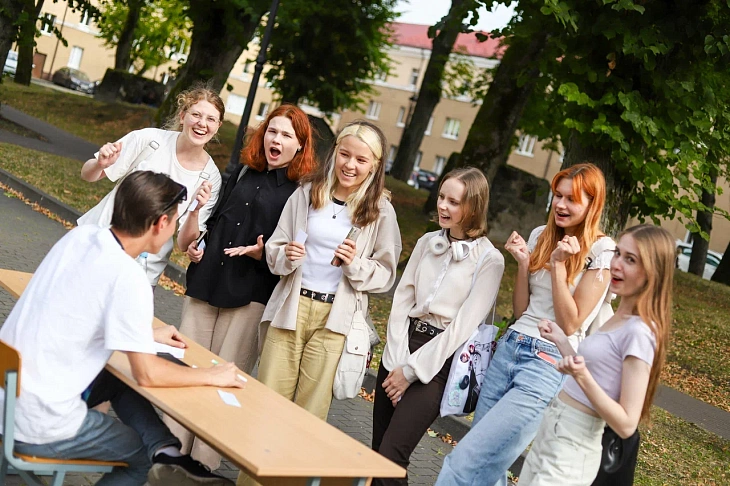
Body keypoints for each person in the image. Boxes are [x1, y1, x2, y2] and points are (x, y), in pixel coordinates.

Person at [0, 171, 244, 486]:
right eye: (175, 221)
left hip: (9, 398)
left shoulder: (82, 237)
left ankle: (169, 453)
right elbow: (147, 374)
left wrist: (144, 335)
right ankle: (158, 454)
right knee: (139, 458)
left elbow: (80, 308)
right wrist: (212, 375)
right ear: (159, 224)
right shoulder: (128, 277)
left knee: (117, 379)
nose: (174, 228)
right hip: (40, 422)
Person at [436, 163, 615, 486]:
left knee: (466, 461)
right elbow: (522, 311)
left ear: (593, 204)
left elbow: (571, 323)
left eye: (571, 199)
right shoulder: (540, 235)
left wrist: (559, 267)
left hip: (547, 364)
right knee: (488, 467)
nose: (560, 205)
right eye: (557, 196)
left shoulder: (602, 251)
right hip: (511, 348)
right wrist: (522, 264)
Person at [165, 104, 316, 470]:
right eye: (272, 131)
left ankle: (201, 464)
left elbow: (294, 250)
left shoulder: (303, 193)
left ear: (300, 146)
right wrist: (200, 243)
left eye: (285, 136)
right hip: (208, 281)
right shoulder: (245, 171)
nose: (275, 140)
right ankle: (168, 446)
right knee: (188, 368)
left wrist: (265, 253)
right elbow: (216, 218)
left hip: (251, 293)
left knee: (223, 378)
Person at [258, 119, 402, 420]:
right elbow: (274, 251)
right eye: (344, 154)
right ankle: (253, 469)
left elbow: (385, 274)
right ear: (334, 153)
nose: (350, 165)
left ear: (375, 166)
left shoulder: (380, 210)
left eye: (361, 160)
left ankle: (291, 469)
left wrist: (354, 264)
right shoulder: (307, 193)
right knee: (266, 402)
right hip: (291, 308)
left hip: (334, 320)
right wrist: (287, 254)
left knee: (308, 415)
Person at [372, 168, 504, 486]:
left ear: (473, 207)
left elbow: (461, 328)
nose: (443, 206)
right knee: (377, 455)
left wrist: (412, 370)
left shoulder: (490, 260)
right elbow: (402, 301)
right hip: (400, 348)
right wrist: (396, 358)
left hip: (438, 364)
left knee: (392, 455)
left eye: (453, 202)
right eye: (442, 197)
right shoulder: (427, 242)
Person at [519, 224, 674, 485]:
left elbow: (626, 423)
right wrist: (561, 340)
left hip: (574, 446)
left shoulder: (641, 331)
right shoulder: (618, 318)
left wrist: (581, 376)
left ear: (652, 272)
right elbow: (595, 373)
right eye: (618, 254)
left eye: (630, 260)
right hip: (553, 429)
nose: (616, 265)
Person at [79, 84, 224, 287]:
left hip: (141, 271)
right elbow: (88, 174)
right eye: (196, 114)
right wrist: (99, 164)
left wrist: (195, 210)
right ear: (183, 116)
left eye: (211, 119)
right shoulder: (150, 140)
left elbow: (184, 244)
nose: (202, 123)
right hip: (99, 245)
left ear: (218, 126)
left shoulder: (210, 176)